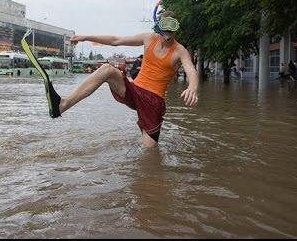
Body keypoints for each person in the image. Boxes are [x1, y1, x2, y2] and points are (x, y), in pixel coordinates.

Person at [42, 9, 199, 148]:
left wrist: (192, 87)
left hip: (153, 102)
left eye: (171, 31)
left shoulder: (180, 51)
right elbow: (116, 40)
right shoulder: (149, 38)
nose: (167, 36)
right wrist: (85, 37)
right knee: (107, 70)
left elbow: (191, 70)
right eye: (164, 30)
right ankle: (62, 105)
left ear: (176, 30)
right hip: (134, 91)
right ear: (159, 28)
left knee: (150, 154)